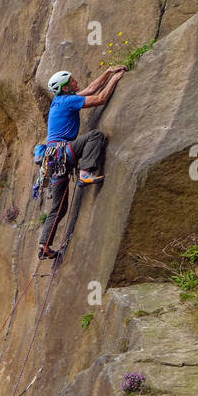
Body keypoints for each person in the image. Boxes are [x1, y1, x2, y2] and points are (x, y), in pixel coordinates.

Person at [37, 66, 125, 260]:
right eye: (72, 81)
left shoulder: (60, 100)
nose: (76, 82)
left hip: (53, 161)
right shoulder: (68, 101)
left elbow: (92, 88)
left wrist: (108, 71)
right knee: (95, 136)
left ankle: (44, 245)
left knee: (59, 207)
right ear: (66, 88)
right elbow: (100, 98)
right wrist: (116, 79)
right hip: (62, 153)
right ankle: (85, 173)